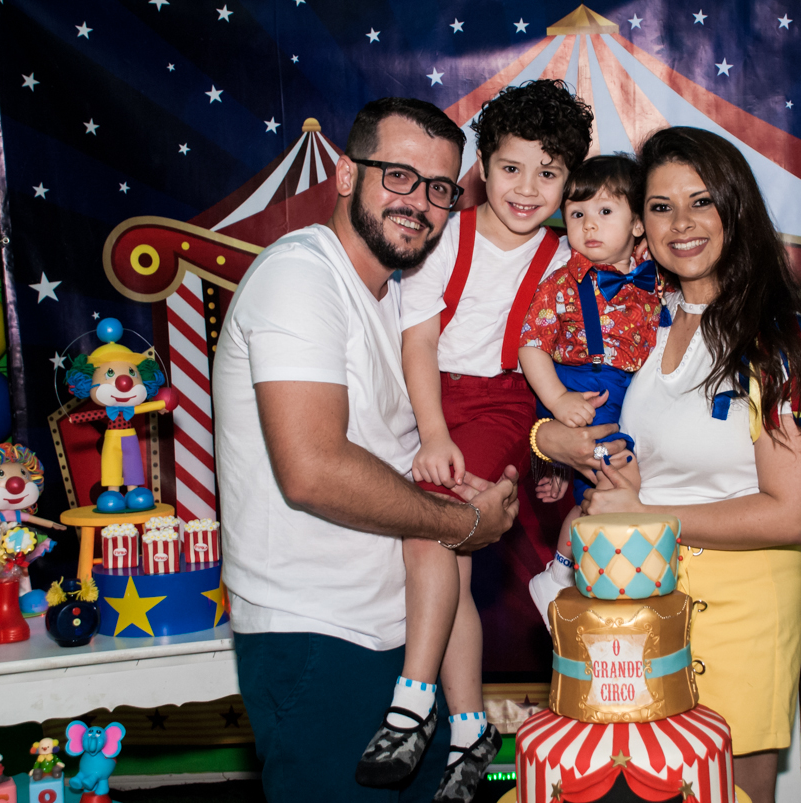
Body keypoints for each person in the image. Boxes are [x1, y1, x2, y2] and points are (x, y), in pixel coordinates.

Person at [212, 97, 521, 803]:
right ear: (348, 174)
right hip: (321, 637)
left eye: (441, 189)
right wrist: (463, 524)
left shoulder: (398, 301)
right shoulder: (301, 277)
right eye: (400, 176)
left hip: (406, 643)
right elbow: (313, 469)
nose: (420, 203)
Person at [533, 126, 801, 802]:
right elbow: (592, 426)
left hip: (739, 618)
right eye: (661, 206)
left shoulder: (783, 343)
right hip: (630, 611)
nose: (682, 223)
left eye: (702, 202)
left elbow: (791, 513)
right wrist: (547, 439)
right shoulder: (643, 321)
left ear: (737, 210)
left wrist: (647, 514)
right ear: (640, 223)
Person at [374, 79, 592, 800]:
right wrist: (431, 430)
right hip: (431, 395)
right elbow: (418, 339)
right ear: (482, 168)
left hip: (500, 400)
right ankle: (470, 727)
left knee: (426, 529)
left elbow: (568, 355)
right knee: (452, 561)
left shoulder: (564, 259)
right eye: (511, 167)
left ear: (568, 182)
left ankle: (412, 703)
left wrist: (551, 445)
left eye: (549, 172)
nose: (528, 188)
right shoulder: (445, 236)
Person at [517, 154, 662, 626]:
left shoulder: (657, 281)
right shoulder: (560, 284)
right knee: (612, 486)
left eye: (604, 212)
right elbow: (532, 346)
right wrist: (558, 403)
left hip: (630, 393)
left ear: (638, 225)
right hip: (582, 388)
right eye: (577, 214)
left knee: (605, 488)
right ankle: (560, 575)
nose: (588, 225)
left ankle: (587, 575)